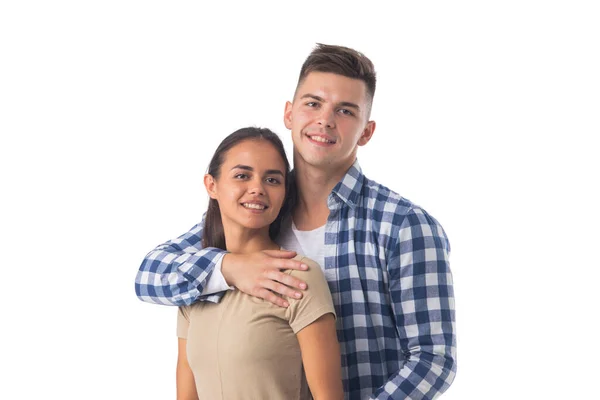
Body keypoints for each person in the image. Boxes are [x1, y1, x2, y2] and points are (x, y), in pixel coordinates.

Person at [136, 44, 456, 400]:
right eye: (313, 103)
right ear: (289, 114)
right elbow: (150, 275)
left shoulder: (403, 225)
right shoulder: (258, 207)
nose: (325, 120)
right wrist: (229, 267)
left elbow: (433, 359)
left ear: (366, 132)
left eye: (346, 110)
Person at [174, 127, 343, 399]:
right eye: (242, 175)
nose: (257, 189)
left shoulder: (298, 277)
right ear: (211, 185)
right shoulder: (195, 286)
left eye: (273, 180)